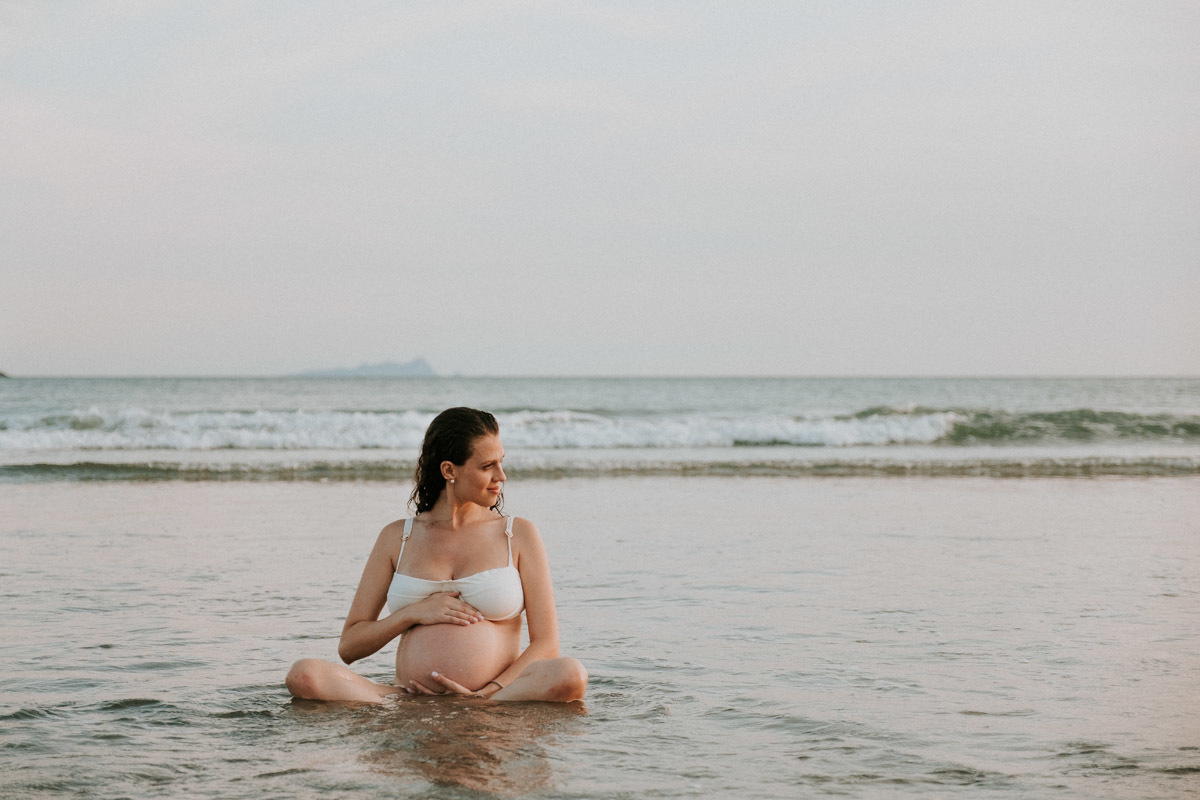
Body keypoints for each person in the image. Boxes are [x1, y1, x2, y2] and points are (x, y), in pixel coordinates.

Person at [286, 407, 588, 703]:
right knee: (305, 675)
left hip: (496, 698)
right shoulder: (398, 537)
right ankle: (402, 706)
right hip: (407, 698)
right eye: (487, 466)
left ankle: (484, 704)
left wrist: (487, 693)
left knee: (570, 675)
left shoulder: (517, 534)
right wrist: (413, 613)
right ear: (449, 470)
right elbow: (350, 647)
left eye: (501, 462)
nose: (502, 476)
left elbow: (546, 644)